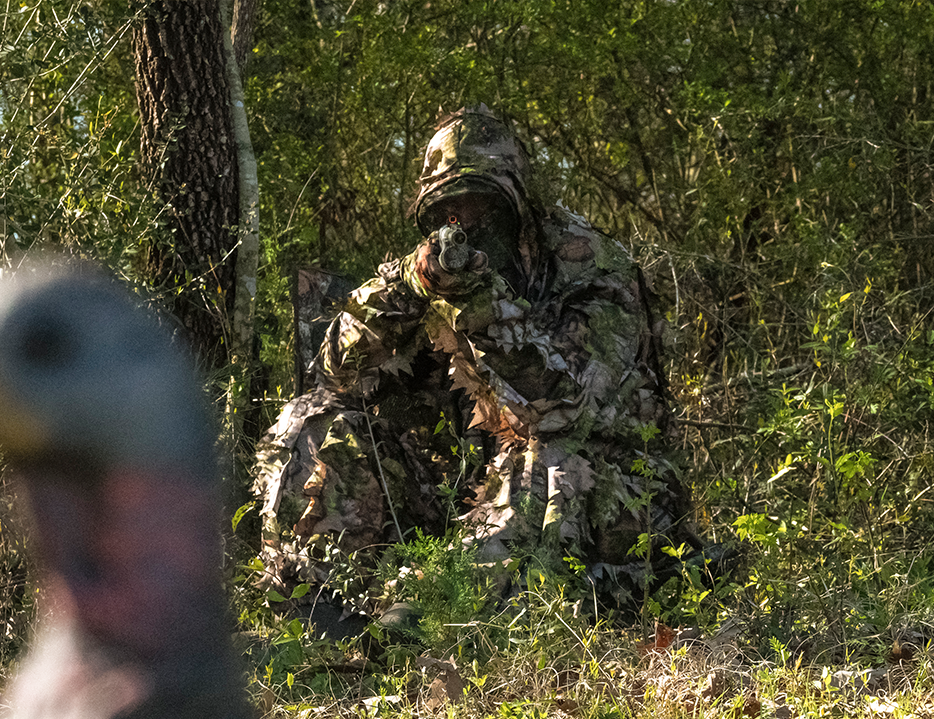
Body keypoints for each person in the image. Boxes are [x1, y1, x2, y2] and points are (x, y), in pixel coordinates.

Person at [255, 105, 695, 617]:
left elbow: (570, 410)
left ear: (519, 205)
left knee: (550, 458)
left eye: (483, 207)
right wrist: (408, 286)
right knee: (313, 419)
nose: (464, 225)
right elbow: (332, 368)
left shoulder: (591, 266)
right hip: (465, 495)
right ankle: (317, 603)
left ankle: (446, 612)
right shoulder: (428, 266)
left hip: (605, 498)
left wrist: (487, 315)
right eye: (448, 212)